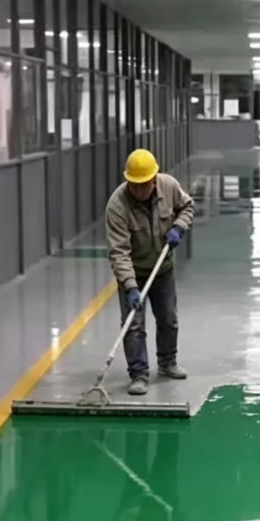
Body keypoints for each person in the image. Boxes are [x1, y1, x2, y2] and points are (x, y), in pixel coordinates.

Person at [105, 149, 195, 396]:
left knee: (168, 318)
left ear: (154, 180)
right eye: (133, 185)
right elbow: (118, 251)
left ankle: (167, 362)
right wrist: (130, 286)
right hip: (133, 272)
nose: (138, 190)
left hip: (162, 269)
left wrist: (179, 226)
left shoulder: (169, 186)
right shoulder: (117, 205)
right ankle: (138, 374)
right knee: (133, 325)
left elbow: (187, 206)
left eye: (143, 185)